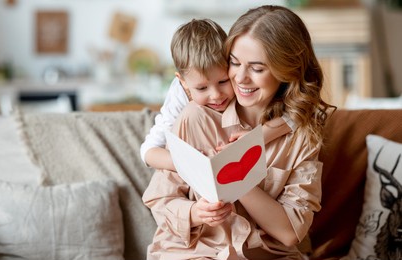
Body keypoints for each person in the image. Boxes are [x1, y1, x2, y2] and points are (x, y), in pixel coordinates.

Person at [143, 5, 334, 259]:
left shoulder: (300, 137)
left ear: (286, 71)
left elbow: (290, 232)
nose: (240, 78)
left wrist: (236, 174)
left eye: (256, 68)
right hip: (198, 252)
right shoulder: (196, 116)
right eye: (233, 63)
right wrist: (194, 213)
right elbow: (161, 197)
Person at [140, 18, 295, 172]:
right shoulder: (180, 93)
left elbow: (299, 113)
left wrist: (258, 137)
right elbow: (148, 150)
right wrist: (188, 163)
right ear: (183, 81)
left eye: (223, 81)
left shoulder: (243, 81)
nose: (216, 95)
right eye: (201, 88)